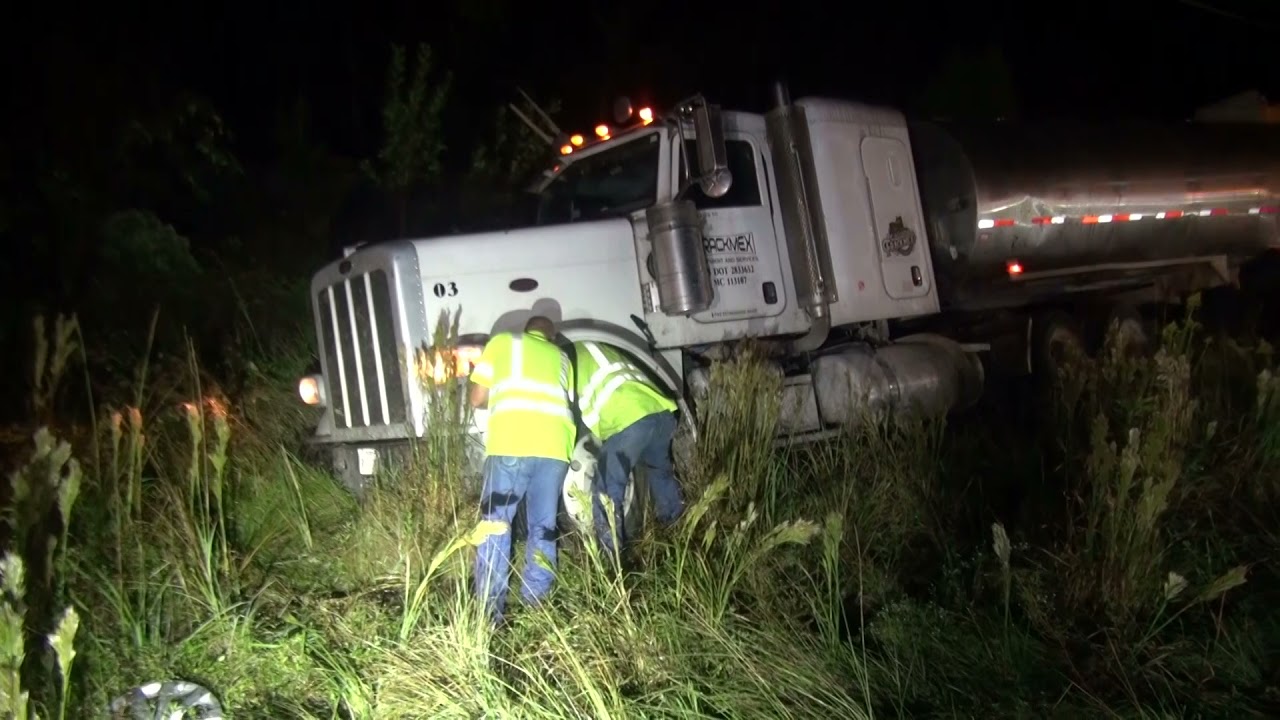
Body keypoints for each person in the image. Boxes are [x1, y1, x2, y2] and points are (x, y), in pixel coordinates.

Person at [467, 315, 576, 625]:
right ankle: (537, 609)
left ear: (527, 331)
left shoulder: (503, 342)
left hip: (512, 443)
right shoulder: (563, 358)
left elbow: (476, 397)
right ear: (550, 337)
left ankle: (490, 615)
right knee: (543, 527)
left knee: (496, 524)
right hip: (555, 449)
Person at [571, 339, 684, 557]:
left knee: (606, 489)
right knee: (660, 474)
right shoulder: (595, 345)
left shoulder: (566, 357)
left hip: (630, 419)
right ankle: (678, 537)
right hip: (661, 412)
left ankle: (612, 559)